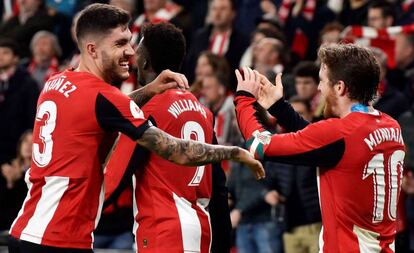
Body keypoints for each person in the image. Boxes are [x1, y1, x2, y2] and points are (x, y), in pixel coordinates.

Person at [8, 4, 264, 253]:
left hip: (25, 227)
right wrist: (233, 152)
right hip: (62, 236)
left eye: (130, 42)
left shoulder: (55, 82)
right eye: (120, 44)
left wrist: (150, 90)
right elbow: (178, 152)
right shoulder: (199, 110)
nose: (130, 52)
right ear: (92, 49)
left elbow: (97, 111)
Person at [234, 43, 406, 252]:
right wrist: (279, 107)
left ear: (340, 87)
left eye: (323, 81)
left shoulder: (341, 133)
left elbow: (258, 146)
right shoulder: (390, 125)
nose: (319, 88)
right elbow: (322, 145)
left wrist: (243, 99)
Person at [104, 22, 232, 253]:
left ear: (144, 61)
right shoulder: (203, 112)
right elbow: (219, 188)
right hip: (202, 231)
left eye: (138, 52)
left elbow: (113, 180)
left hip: (164, 232)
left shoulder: (147, 111)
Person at [0, 39, 39, 165]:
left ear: (16, 58)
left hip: (18, 151)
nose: (1, 56)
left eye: (5, 53)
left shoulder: (28, 84)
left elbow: (33, 117)